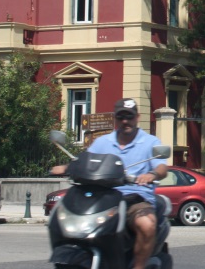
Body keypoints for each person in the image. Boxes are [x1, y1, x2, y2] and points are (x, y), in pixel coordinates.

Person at [52, 98, 168, 269]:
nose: (125, 121)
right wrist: (66, 167)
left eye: (129, 117)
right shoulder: (103, 142)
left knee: (147, 224)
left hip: (134, 197)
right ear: (116, 118)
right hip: (104, 197)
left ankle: (139, 266)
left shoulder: (150, 142)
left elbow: (162, 168)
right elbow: (87, 161)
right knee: (61, 218)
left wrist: (152, 174)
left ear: (137, 117)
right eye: (121, 117)